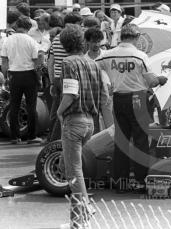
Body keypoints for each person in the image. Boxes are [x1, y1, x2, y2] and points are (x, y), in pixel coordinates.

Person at [96, 24, 168, 191]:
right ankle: (141, 181)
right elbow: (152, 81)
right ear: (136, 37)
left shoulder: (108, 54)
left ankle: (120, 182)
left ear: (122, 37)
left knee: (121, 141)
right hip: (138, 99)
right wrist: (161, 79)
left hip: (118, 98)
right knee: (141, 141)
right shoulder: (140, 55)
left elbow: (93, 66)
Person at [57, 24, 106, 224]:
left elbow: (70, 94)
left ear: (64, 43)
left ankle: (83, 210)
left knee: (73, 170)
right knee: (67, 164)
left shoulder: (68, 62)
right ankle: (78, 219)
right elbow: (103, 95)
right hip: (89, 122)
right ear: (81, 41)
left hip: (73, 120)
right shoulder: (93, 63)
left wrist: (59, 112)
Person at [1, 16, 42, 144]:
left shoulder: (7, 40)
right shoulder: (31, 41)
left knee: (14, 105)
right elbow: (36, 61)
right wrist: (39, 78)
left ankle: (14, 136)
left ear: (17, 26)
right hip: (29, 74)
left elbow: (4, 61)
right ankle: (31, 136)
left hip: (14, 74)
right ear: (28, 28)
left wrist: (6, 76)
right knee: (31, 106)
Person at [47, 12, 83, 143]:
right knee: (66, 109)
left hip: (57, 77)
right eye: (79, 24)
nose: (81, 26)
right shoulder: (75, 38)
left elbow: (50, 62)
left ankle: (51, 137)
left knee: (57, 108)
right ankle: (58, 138)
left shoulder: (56, 38)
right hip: (70, 77)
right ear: (73, 24)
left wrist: (52, 82)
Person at [84, 27, 114, 129]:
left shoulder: (107, 55)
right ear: (87, 42)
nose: (96, 44)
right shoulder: (83, 59)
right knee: (93, 126)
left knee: (110, 125)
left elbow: (113, 72)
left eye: (98, 42)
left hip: (108, 92)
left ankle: (112, 144)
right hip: (90, 95)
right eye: (93, 42)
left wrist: (112, 85)